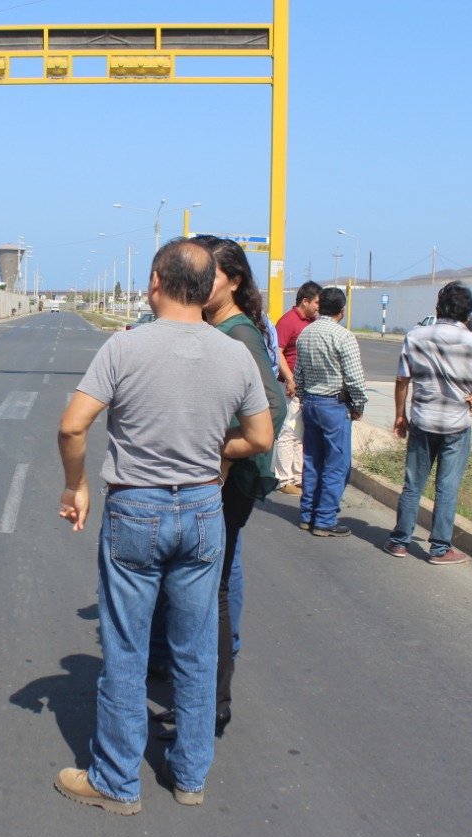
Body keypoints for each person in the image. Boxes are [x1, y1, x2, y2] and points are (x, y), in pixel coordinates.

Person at [53, 238, 272, 815]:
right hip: (202, 509)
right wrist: (211, 451)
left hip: (136, 508)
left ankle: (117, 782)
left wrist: (76, 485)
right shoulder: (235, 354)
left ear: (155, 281)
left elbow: (73, 426)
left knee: (125, 648)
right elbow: (261, 437)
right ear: (206, 289)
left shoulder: (125, 347)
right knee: (196, 647)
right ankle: (189, 775)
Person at [151, 235, 286, 741]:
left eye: (210, 273)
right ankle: (203, 695)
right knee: (211, 582)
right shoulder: (214, 327)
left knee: (213, 588)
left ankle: (210, 705)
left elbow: (273, 410)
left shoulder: (237, 334)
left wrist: (216, 447)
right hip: (218, 477)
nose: (200, 282)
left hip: (232, 479)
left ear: (231, 280)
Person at [383, 283, 472, 564]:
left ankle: (399, 541)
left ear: (438, 307)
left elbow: (401, 380)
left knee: (412, 484)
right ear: (468, 313)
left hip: (422, 419)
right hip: (457, 423)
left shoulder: (416, 336)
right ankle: (439, 548)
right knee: (446, 487)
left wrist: (400, 415)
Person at [293, 286, 367, 536]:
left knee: (312, 461)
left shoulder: (306, 334)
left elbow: (298, 373)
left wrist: (303, 398)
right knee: (337, 464)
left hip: (311, 403)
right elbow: (355, 378)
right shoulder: (343, 336)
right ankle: (324, 519)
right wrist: (358, 405)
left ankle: (308, 514)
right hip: (334, 405)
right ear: (342, 310)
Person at [272, 282, 321, 496]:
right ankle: (283, 479)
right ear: (305, 301)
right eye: (317, 302)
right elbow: (278, 352)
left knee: (301, 432)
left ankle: (299, 476)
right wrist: (290, 379)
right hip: (289, 386)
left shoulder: (313, 322)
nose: (319, 307)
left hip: (306, 387)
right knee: (288, 431)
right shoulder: (288, 321)